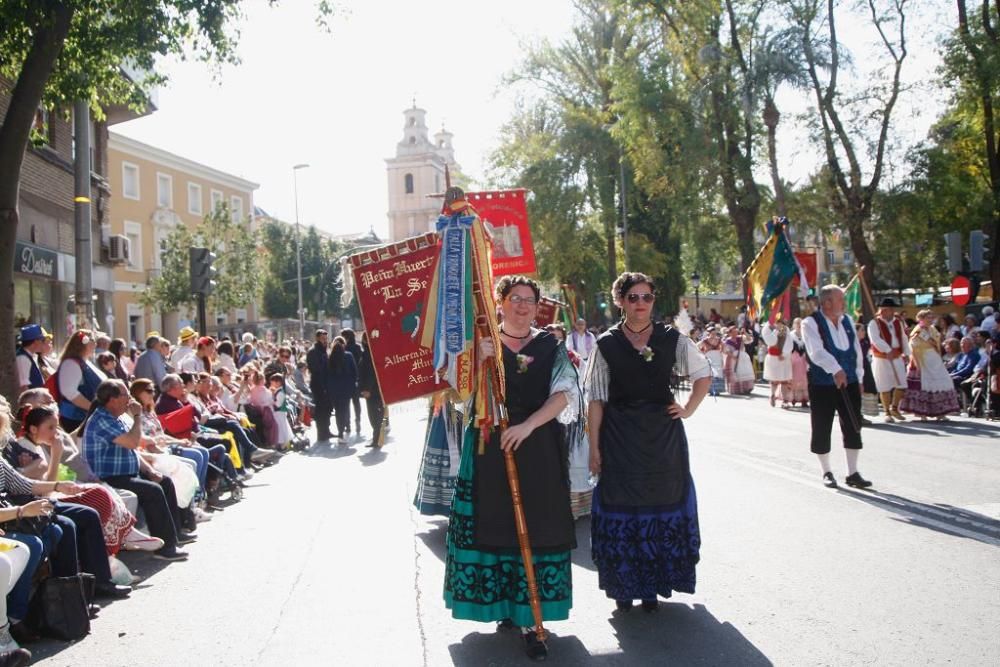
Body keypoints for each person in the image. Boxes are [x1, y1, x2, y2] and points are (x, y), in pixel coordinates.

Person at [444, 276, 578, 661]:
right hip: (488, 443)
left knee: (537, 525)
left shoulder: (551, 345)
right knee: (494, 521)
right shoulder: (479, 343)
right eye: (515, 298)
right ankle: (503, 606)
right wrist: (477, 361)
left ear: (538, 307)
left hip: (536, 445)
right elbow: (456, 395)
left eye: (530, 300)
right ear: (499, 303)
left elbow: (565, 393)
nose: (522, 306)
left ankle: (532, 619)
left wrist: (528, 425)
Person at [586, 271, 709, 617]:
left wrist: (687, 409)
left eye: (647, 297)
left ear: (654, 301)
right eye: (633, 297)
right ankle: (624, 588)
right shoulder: (605, 344)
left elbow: (704, 373)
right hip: (619, 435)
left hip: (662, 437)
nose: (641, 303)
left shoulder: (673, 338)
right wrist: (594, 448)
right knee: (621, 503)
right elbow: (595, 400)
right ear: (621, 301)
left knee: (662, 500)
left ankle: (653, 585)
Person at [82, 379, 189, 562]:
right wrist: (138, 417)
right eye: (125, 395)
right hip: (109, 478)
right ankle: (165, 549)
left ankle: (173, 536)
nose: (130, 399)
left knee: (163, 481)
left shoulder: (117, 417)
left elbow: (131, 450)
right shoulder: (102, 419)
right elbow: (133, 441)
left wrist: (149, 471)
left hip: (125, 473)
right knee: (153, 491)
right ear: (112, 399)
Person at [802, 285, 871, 489]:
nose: (845, 303)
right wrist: (835, 369)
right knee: (822, 426)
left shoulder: (848, 321)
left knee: (853, 424)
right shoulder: (810, 323)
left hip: (849, 381)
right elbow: (816, 352)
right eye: (841, 299)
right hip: (823, 383)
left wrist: (858, 377)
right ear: (827, 302)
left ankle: (853, 472)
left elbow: (856, 352)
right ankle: (827, 471)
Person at [900, 310, 960, 421]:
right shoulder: (918, 331)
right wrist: (917, 364)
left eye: (932, 317)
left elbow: (937, 342)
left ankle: (941, 412)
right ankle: (922, 413)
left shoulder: (932, 329)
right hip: (923, 359)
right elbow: (913, 347)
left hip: (934, 358)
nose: (931, 319)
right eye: (928, 317)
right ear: (921, 318)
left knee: (943, 381)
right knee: (925, 384)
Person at [868, 298, 911, 423]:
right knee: (884, 384)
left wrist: (907, 352)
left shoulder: (897, 322)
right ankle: (887, 411)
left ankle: (895, 408)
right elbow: (875, 339)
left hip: (897, 355)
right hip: (882, 357)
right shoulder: (874, 323)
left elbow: (903, 337)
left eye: (893, 309)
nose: (893, 311)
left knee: (902, 383)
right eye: (890, 309)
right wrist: (887, 350)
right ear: (884, 310)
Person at [55, 329, 104, 432]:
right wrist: (93, 408)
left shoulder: (84, 362)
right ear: (83, 343)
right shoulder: (71, 364)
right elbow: (70, 393)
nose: (95, 344)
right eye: (93, 341)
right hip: (76, 419)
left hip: (85, 416)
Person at [357, 333, 386, 448]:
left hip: (373, 390)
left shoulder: (369, 354)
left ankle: (377, 439)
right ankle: (377, 438)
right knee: (376, 415)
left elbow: (371, 373)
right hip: (376, 389)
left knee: (374, 416)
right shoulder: (372, 352)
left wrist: (367, 389)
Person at [327, 336, 357, 444]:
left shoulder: (330, 358)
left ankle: (340, 431)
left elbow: (327, 375)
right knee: (344, 410)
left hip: (334, 391)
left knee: (338, 411)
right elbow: (354, 372)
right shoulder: (349, 356)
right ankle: (342, 430)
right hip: (346, 389)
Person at [761, 319, 794, 407]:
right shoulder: (769, 329)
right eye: (777, 322)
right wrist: (775, 331)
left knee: (784, 380)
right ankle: (772, 395)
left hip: (784, 358)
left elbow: (789, 342)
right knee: (774, 379)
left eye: (780, 322)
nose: (778, 324)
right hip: (773, 358)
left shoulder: (785, 329)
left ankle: (785, 400)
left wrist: (784, 353)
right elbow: (770, 341)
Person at [307, 330, 332, 442]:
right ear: (317, 338)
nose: (325, 341)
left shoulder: (323, 350)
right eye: (323, 338)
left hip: (326, 384)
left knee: (327, 409)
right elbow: (316, 369)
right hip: (318, 384)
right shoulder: (313, 351)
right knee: (321, 409)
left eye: (326, 339)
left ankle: (327, 431)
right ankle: (321, 433)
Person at [341, 329, 364, 438]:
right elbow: (360, 362)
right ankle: (358, 419)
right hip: (356, 378)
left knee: (346, 403)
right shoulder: (358, 347)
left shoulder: (343, 348)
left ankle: (347, 424)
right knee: (356, 402)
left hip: (345, 379)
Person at [722, 326, 755, 395]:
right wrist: (733, 357)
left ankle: (746, 388)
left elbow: (749, 340)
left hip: (743, 358)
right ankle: (737, 390)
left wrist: (745, 333)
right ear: (730, 333)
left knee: (744, 372)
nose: (735, 333)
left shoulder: (741, 338)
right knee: (736, 374)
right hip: (733, 359)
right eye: (733, 332)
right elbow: (726, 351)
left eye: (736, 332)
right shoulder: (727, 341)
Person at [14, 325, 46, 393]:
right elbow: (23, 386)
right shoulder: (22, 358)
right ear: (36, 341)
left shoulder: (29, 356)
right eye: (42, 340)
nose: (43, 343)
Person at [698, 326, 726, 396]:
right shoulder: (704, 340)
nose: (714, 335)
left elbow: (724, 347)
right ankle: (710, 390)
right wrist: (703, 353)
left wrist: (721, 351)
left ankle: (717, 390)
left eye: (715, 333)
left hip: (717, 357)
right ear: (709, 333)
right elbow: (697, 347)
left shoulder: (719, 340)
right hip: (709, 357)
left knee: (718, 372)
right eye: (712, 333)